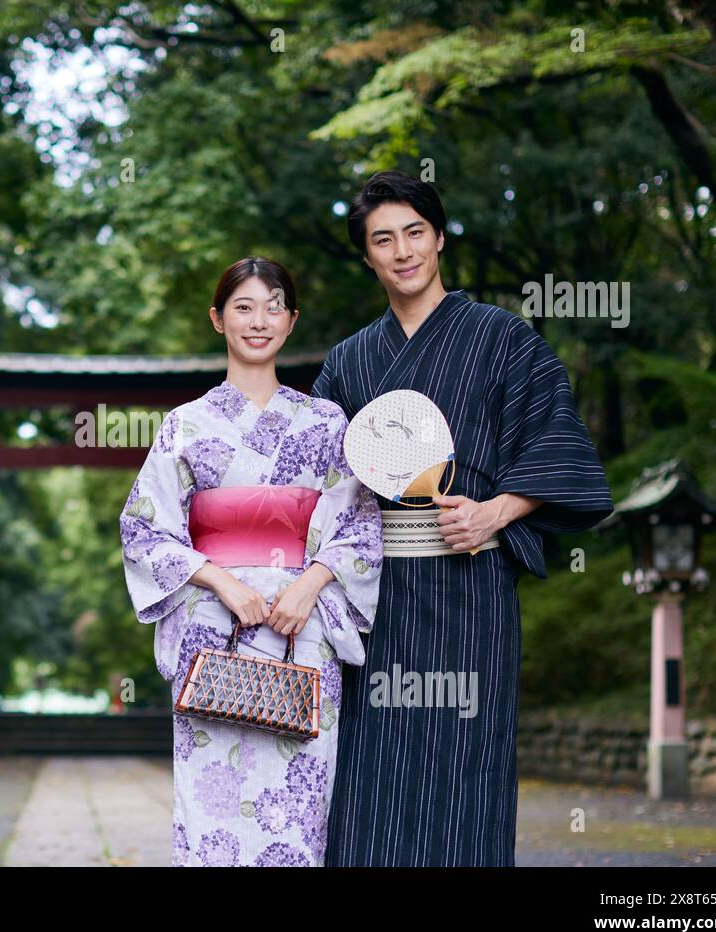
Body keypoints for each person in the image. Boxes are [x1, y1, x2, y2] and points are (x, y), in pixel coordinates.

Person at [312, 170, 614, 866]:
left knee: (465, 770)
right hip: (373, 600)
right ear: (367, 256)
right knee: (368, 778)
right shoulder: (348, 362)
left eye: (415, 232)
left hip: (470, 589)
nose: (402, 250)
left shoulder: (503, 338)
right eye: (382, 239)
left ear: (440, 238)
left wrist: (496, 513)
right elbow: (318, 486)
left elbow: (559, 446)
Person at [120, 256, 383, 867]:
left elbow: (362, 529)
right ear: (218, 320)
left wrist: (311, 584)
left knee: (297, 813)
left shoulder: (326, 423)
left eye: (273, 307)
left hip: (303, 629)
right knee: (211, 811)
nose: (258, 320)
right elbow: (142, 530)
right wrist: (221, 581)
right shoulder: (184, 426)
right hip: (215, 632)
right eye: (243, 306)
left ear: (291, 321)